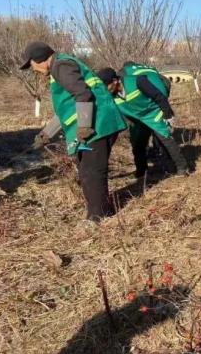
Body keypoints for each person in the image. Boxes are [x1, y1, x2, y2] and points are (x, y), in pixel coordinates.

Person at [21, 42, 127, 221]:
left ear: (40, 59)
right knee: (86, 169)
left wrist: (85, 126)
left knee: (92, 171)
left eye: (31, 64)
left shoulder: (61, 66)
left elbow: (83, 94)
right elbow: (67, 111)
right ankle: (100, 210)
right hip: (95, 123)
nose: (34, 70)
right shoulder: (59, 68)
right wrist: (46, 134)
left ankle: (98, 217)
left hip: (98, 124)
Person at [97, 63, 189, 178]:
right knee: (137, 144)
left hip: (154, 112)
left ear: (115, 81)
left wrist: (168, 116)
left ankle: (182, 168)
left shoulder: (138, 81)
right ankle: (141, 171)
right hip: (138, 117)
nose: (105, 90)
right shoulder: (112, 96)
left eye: (106, 86)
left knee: (165, 139)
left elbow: (158, 96)